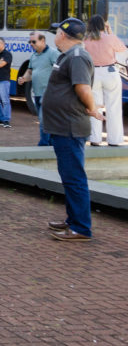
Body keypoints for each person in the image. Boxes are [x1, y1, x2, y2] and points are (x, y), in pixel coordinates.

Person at [42, 18, 104, 242]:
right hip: (63, 126)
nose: (55, 34)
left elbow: (83, 88)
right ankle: (73, 220)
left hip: (69, 127)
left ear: (64, 35)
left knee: (74, 177)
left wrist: (92, 108)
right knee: (69, 177)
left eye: (57, 31)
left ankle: (80, 228)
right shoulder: (70, 55)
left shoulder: (77, 56)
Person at [82, 15, 127, 146]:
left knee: (94, 106)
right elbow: (123, 51)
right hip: (110, 72)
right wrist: (110, 30)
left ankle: (95, 138)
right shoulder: (110, 38)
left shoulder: (85, 39)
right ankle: (114, 140)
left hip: (93, 73)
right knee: (114, 107)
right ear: (103, 25)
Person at [18, 31, 60, 146]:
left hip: (48, 93)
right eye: (30, 42)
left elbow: (61, 71)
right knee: (46, 119)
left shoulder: (53, 53)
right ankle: (51, 142)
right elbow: (30, 71)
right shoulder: (33, 55)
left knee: (43, 119)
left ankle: (44, 143)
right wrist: (23, 78)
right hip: (37, 94)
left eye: (34, 41)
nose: (31, 44)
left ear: (43, 41)